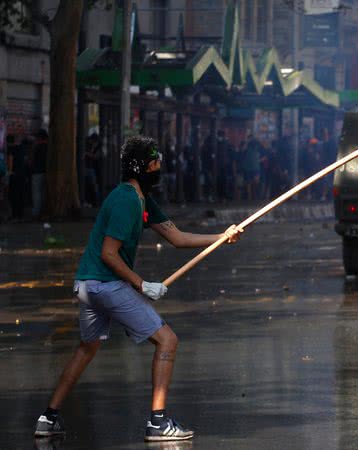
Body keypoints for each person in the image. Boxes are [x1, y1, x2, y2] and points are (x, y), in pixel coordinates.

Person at [34, 136, 242, 442]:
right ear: (140, 167)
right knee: (167, 340)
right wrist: (141, 284)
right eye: (155, 162)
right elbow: (108, 253)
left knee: (87, 347)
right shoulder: (126, 201)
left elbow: (177, 237)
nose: (159, 167)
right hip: (104, 285)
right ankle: (158, 423)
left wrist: (222, 237)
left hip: (88, 285)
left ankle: (47, 419)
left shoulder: (142, 199)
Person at [31, 129, 48, 217]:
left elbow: (32, 161)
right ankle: (44, 211)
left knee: (37, 193)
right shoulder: (50, 147)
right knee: (44, 193)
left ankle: (36, 212)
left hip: (37, 172)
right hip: (47, 172)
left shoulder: (37, 147)